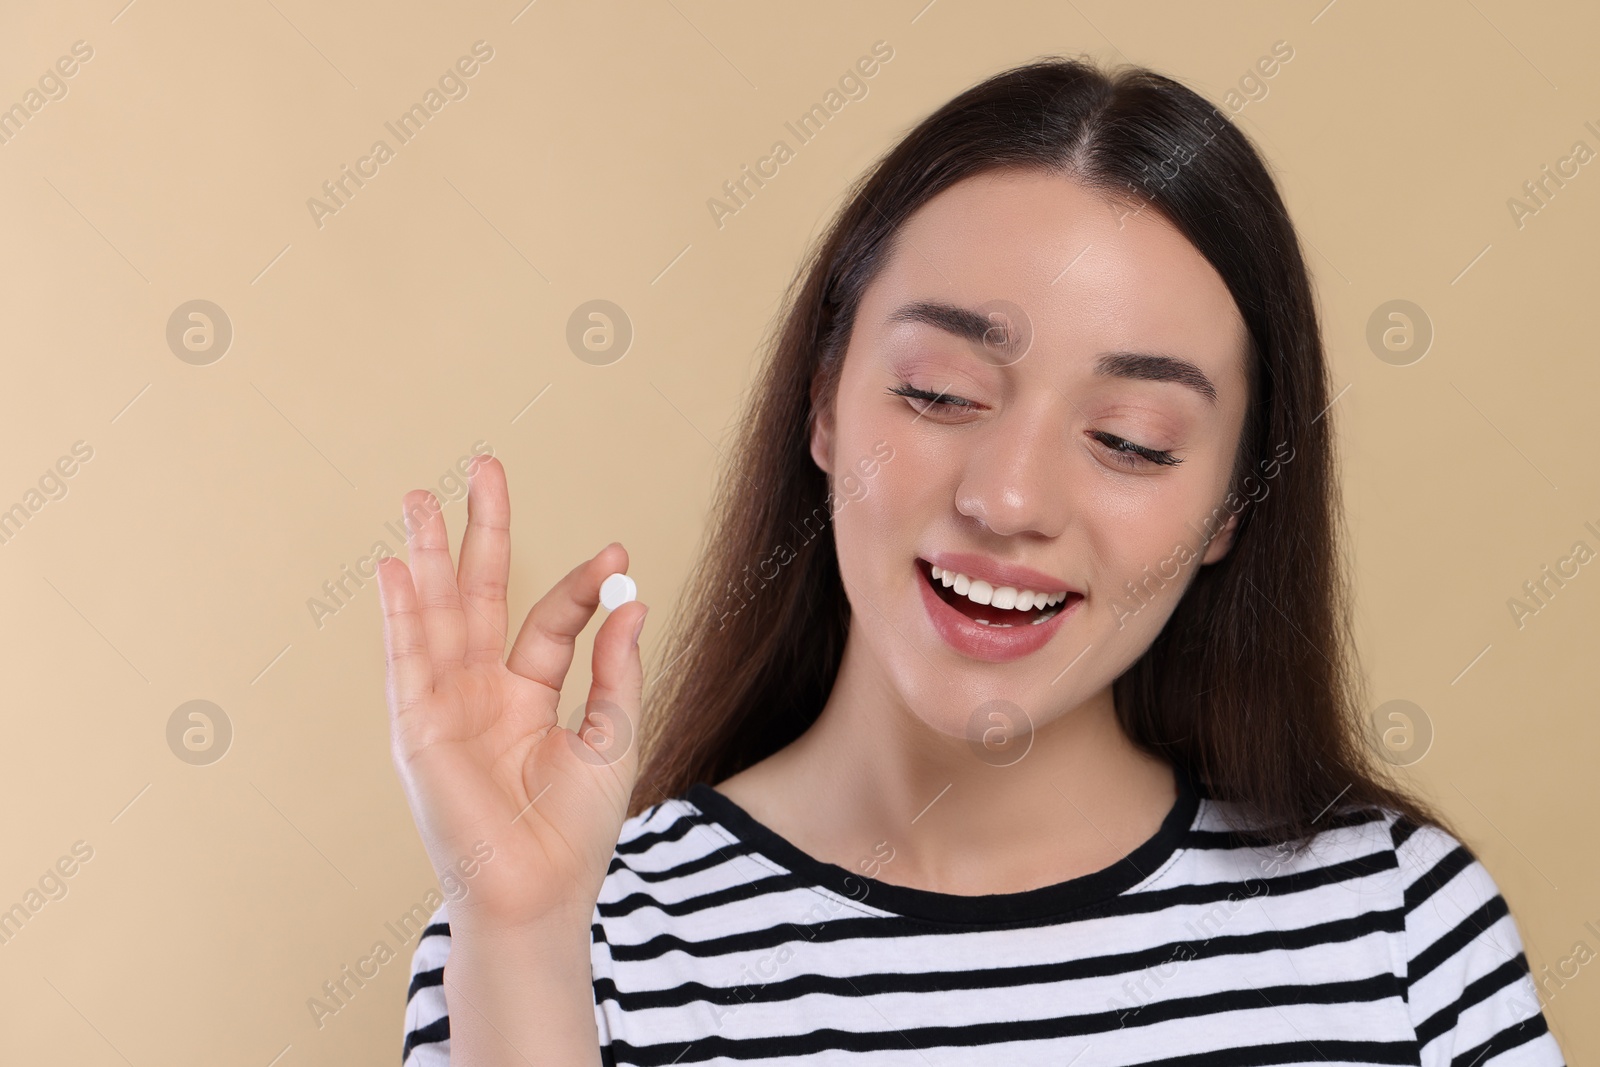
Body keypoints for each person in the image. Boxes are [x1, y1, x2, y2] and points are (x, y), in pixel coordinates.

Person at [379, 55, 1567, 1066]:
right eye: (939, 391)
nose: (1006, 497)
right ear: (826, 406)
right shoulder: (556, 936)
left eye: (1128, 440)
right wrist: (526, 936)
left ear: (1230, 511)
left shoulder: (1401, 929)